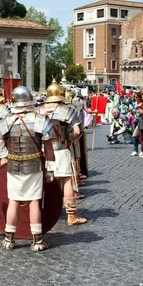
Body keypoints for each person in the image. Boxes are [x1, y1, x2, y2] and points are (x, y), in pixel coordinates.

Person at [0, 86, 54, 252]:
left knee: (13, 201)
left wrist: (3, 159)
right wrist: (50, 169)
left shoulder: (7, 121)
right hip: (34, 166)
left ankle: (9, 239)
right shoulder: (40, 120)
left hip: (13, 165)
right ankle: (37, 241)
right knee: (34, 201)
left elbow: (0, 141)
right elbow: (49, 147)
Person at [39, 79, 87, 227]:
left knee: (43, 182)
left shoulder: (38, 111)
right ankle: (71, 215)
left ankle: (44, 211)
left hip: (43, 152)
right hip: (61, 149)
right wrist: (71, 140)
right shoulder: (68, 111)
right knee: (67, 181)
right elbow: (77, 132)